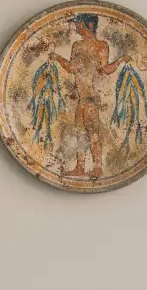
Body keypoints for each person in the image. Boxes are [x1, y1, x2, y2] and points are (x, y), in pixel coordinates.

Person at [50, 14, 129, 180]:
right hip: (81, 98)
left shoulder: (101, 45)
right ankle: (80, 167)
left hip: (91, 97)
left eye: (80, 25)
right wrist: (57, 58)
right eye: (77, 25)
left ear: (90, 25)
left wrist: (121, 60)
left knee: (93, 133)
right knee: (80, 133)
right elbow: (72, 68)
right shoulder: (77, 45)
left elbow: (105, 69)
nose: (77, 28)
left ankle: (98, 168)